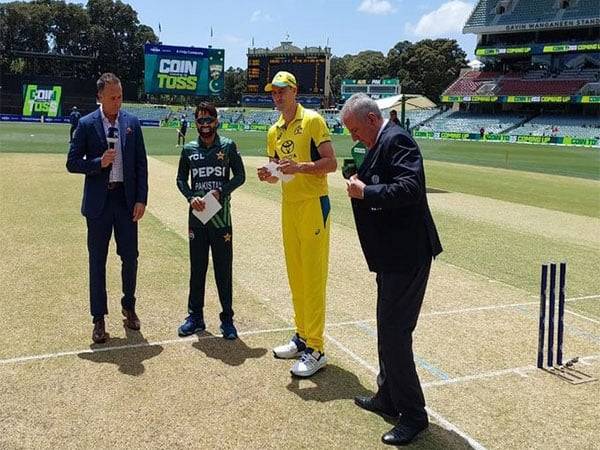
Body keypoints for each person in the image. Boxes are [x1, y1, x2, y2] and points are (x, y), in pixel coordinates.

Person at [340, 93, 442, 446]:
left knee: (396, 334)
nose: (353, 137)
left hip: (408, 254)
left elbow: (410, 188)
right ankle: (387, 396)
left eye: (354, 130)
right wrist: (356, 174)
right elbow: (381, 176)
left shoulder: (397, 138)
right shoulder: (378, 140)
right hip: (391, 255)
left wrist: (366, 191)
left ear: (371, 119)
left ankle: (413, 414)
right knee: (387, 329)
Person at [257, 71, 337, 377]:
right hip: (289, 207)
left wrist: (301, 167)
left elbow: (331, 163)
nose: (277, 97)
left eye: (282, 91)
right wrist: (269, 174)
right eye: (273, 93)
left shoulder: (313, 121)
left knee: (313, 278)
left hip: (314, 206)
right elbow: (278, 170)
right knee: (296, 276)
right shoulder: (274, 130)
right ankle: (302, 336)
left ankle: (316, 348)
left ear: (294, 91)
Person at [66, 73, 148, 344]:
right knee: (97, 262)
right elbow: (72, 162)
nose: (118, 101)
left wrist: (141, 199)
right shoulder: (86, 124)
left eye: (120, 96)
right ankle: (99, 318)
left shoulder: (132, 123)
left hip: (125, 202)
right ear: (100, 96)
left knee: (130, 257)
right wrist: (98, 163)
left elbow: (140, 165)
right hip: (99, 204)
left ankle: (129, 306)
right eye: (113, 97)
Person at [176, 101, 245, 340]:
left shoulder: (227, 146)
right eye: (200, 120)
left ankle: (227, 320)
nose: (205, 125)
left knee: (223, 270)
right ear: (196, 122)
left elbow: (241, 176)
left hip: (221, 219)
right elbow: (181, 180)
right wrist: (190, 197)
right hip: (197, 218)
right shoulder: (189, 149)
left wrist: (221, 191)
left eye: (209, 120)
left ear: (216, 121)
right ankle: (195, 317)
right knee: (198, 268)